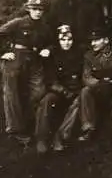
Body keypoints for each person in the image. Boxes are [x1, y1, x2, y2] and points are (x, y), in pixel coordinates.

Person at [0, 0, 53, 143]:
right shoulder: (18, 23)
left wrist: (48, 49)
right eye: (34, 9)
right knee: (12, 95)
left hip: (35, 60)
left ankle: (29, 121)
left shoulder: (45, 27)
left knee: (39, 91)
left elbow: (50, 43)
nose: (37, 12)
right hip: (16, 59)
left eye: (40, 9)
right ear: (28, 9)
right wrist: (2, 53)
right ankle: (16, 130)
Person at [35, 24, 84, 153]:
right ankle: (42, 138)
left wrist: (76, 91)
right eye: (63, 39)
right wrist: (63, 91)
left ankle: (60, 136)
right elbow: (51, 79)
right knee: (47, 100)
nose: (66, 43)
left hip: (76, 90)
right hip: (60, 90)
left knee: (80, 102)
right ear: (58, 40)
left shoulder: (80, 53)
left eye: (69, 39)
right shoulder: (53, 54)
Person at [79, 28, 112, 143]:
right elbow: (86, 77)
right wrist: (99, 84)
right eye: (92, 41)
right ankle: (88, 127)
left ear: (106, 40)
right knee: (85, 91)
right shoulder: (88, 56)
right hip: (98, 92)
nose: (93, 43)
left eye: (96, 40)